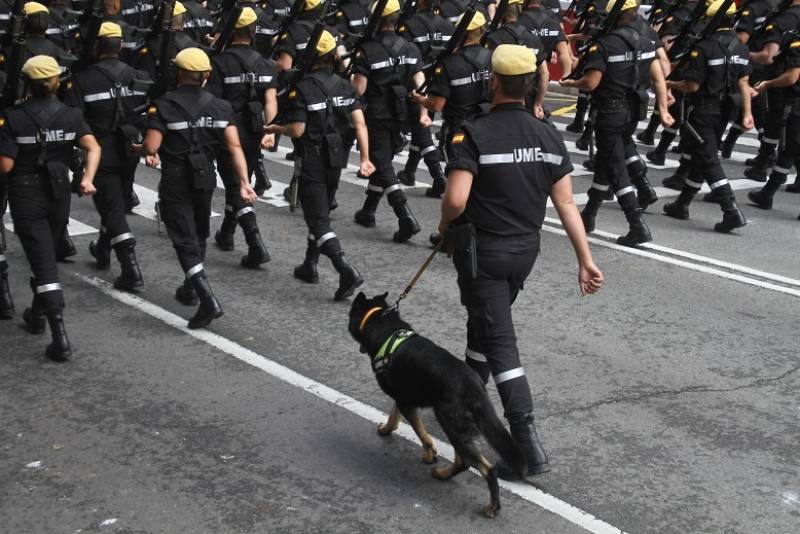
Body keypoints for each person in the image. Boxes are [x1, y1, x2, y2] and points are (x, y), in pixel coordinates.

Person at [438, 44, 603, 479]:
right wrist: (585, 259)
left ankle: (526, 446)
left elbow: (456, 199)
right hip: (524, 251)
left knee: (500, 341)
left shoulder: (475, 131)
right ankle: (466, 403)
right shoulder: (547, 134)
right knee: (485, 326)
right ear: (532, 84)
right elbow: (565, 203)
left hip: (484, 253)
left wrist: (444, 228)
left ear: (493, 82)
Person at [136, 47, 257, 329]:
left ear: (179, 73)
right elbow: (234, 146)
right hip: (206, 177)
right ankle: (190, 288)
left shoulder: (163, 104)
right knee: (200, 233)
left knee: (183, 239)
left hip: (176, 178)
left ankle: (207, 299)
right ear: (206, 75)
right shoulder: (221, 106)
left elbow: (151, 146)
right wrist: (243, 182)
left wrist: (137, 149)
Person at [0, 55, 100, 360]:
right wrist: (87, 179)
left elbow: (6, 166)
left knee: (43, 264)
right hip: (59, 193)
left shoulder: (13, 117)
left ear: (28, 84)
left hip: (26, 194)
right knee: (45, 257)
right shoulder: (71, 115)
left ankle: (60, 337)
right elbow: (93, 146)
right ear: (57, 82)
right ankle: (36, 313)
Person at [266, 30, 373, 300]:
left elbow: (298, 129)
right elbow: (360, 124)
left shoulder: (302, 87)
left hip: (311, 157)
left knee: (318, 219)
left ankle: (345, 269)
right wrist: (364, 159)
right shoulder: (345, 85)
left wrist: (276, 128)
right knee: (321, 210)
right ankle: (309, 264)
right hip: (336, 157)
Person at [559, 0, 655, 246]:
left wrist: (573, 83)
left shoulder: (605, 44)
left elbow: (591, 82)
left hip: (610, 111)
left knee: (616, 168)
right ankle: (589, 214)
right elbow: (656, 73)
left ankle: (637, 225)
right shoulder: (645, 42)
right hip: (634, 109)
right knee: (606, 161)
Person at [64, 21, 150, 290]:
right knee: (114, 203)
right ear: (120, 45)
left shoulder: (82, 79)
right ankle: (102, 249)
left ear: (95, 48)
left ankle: (130, 269)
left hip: (100, 152)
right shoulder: (138, 76)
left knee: (112, 208)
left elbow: (74, 120)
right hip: (130, 149)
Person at [663, 0, 752, 232]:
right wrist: (747, 113)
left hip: (703, 110)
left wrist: (670, 84)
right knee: (701, 155)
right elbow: (744, 82)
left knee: (708, 158)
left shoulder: (704, 47)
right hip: (726, 111)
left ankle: (730, 209)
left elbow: (692, 85)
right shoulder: (741, 47)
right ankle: (682, 203)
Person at [351, 0, 425, 243]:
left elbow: (360, 89)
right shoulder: (411, 48)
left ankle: (405, 217)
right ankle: (368, 210)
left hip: (377, 114)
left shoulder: (368, 50)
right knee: (382, 160)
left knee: (382, 163)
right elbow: (420, 83)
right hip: (401, 113)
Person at [206, 7, 274, 269]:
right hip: (255, 132)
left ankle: (255, 243)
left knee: (236, 186)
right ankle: (226, 232)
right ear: (253, 31)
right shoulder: (265, 63)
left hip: (229, 131)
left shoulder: (220, 62)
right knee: (237, 182)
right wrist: (269, 129)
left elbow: (214, 101)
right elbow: (270, 100)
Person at [747, 26, 800, 211]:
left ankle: (767, 193)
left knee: (791, 149)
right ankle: (767, 193)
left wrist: (768, 84)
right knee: (788, 150)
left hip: (795, 105)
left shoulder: (797, 43)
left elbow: (791, 77)